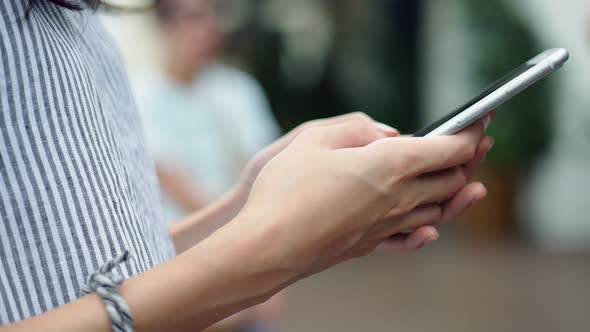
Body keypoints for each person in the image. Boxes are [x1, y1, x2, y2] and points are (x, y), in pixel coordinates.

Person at [0, 1, 494, 331]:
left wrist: (247, 202)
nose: (206, 29)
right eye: (191, 17)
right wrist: (263, 254)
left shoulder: (85, 28)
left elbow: (110, 258)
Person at [134, 0, 281, 222]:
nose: (208, 28)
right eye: (193, 18)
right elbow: (172, 181)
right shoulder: (142, 97)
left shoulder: (238, 88)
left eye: (214, 14)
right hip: (183, 235)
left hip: (245, 224)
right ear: (164, 26)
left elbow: (264, 164)